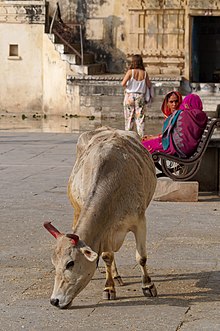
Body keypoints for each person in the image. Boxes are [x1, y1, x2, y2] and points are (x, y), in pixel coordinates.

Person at [142, 93, 208, 158]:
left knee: (143, 146)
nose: (174, 104)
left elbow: (173, 136)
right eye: (171, 102)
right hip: (185, 149)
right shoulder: (201, 116)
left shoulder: (186, 115)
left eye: (184, 103)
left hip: (177, 149)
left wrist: (155, 138)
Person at [121, 54, 151, 138]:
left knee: (129, 117)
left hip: (130, 96)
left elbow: (122, 83)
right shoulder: (144, 73)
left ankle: (128, 136)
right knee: (140, 118)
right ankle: (141, 137)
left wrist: (129, 86)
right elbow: (149, 85)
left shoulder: (131, 72)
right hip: (140, 96)